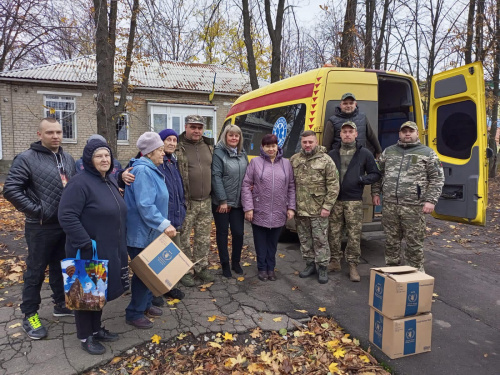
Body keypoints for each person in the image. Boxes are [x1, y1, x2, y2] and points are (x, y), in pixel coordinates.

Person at [3, 118, 76, 340]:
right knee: (35, 271)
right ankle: (30, 315)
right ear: (39, 134)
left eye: (59, 132)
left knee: (60, 266)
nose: (55, 136)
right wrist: (39, 211)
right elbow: (11, 190)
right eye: (50, 132)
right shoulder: (26, 159)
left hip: (64, 225)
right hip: (41, 226)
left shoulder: (67, 158)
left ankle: (60, 304)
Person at [58, 140, 128, 355]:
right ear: (89, 159)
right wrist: (85, 242)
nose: (104, 159)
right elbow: (66, 215)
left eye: (107, 155)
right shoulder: (80, 183)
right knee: (84, 295)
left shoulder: (108, 180)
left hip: (109, 247)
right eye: (99, 156)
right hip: (87, 248)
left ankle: (96, 329)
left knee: (98, 293)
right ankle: (85, 336)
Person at [372, 121, 444, 272]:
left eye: (411, 131)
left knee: (414, 242)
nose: (407, 133)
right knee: (391, 241)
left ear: (417, 133)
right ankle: (392, 271)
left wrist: (431, 200)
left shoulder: (427, 153)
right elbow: (378, 173)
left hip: (414, 207)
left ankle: (415, 272)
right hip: (390, 205)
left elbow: (437, 178)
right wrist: (375, 192)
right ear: (399, 134)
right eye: (404, 131)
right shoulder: (389, 152)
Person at [124, 132, 177, 329]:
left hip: (150, 232)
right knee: (143, 274)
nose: (163, 154)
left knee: (151, 271)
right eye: (160, 150)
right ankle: (134, 313)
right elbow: (145, 206)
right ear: (150, 152)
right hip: (141, 233)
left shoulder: (150, 168)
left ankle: (145, 305)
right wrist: (165, 224)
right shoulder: (144, 172)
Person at [327, 121, 381, 281]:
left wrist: (360, 179)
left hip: (353, 202)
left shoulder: (364, 153)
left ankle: (352, 265)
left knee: (354, 235)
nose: (347, 134)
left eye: (351, 131)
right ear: (340, 134)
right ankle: (335, 261)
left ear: (356, 134)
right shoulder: (332, 154)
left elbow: (375, 174)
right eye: (344, 132)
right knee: (333, 233)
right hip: (335, 201)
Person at [241, 134, 295, 281]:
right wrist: (248, 208)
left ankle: (271, 268)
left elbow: (291, 186)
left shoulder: (286, 164)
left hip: (279, 210)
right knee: (260, 243)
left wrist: (291, 207)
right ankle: (262, 268)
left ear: (277, 146)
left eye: (273, 145)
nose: (271, 149)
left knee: (272, 243)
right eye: (267, 146)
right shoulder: (255, 163)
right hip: (259, 209)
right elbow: (246, 185)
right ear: (263, 147)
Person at [290, 131, 339, 284]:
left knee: (320, 240)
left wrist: (327, 206)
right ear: (301, 142)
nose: (307, 145)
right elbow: (289, 183)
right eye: (305, 142)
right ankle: (310, 264)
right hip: (301, 209)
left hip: (319, 209)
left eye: (310, 142)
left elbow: (334, 185)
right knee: (305, 240)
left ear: (316, 142)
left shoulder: (326, 160)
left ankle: (323, 267)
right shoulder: (295, 159)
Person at [175, 115, 215, 286]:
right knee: (183, 239)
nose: (197, 131)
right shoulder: (176, 146)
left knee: (203, 238)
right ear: (186, 127)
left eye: (200, 127)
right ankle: (184, 271)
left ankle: (201, 267)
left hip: (205, 201)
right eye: (193, 127)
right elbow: (147, 155)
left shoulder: (209, 145)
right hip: (186, 202)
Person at [150, 129, 187, 306]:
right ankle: (155, 290)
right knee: (158, 257)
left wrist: (183, 207)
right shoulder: (155, 161)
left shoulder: (173, 162)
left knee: (171, 255)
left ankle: (169, 287)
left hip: (176, 215)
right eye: (168, 139)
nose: (172, 143)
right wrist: (121, 175)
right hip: (161, 219)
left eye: (174, 140)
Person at [211, 125, 249, 278]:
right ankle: (225, 264)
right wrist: (222, 200)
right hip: (222, 203)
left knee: (238, 233)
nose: (234, 138)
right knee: (222, 233)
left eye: (237, 136)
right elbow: (216, 176)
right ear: (225, 136)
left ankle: (236, 262)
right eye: (231, 135)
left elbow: (248, 174)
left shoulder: (242, 153)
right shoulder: (218, 153)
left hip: (238, 202)